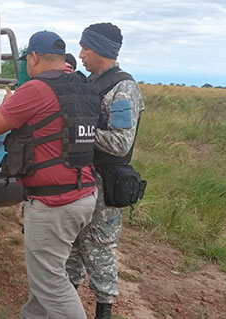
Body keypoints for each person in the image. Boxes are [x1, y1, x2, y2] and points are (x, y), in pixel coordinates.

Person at [0, 30, 100, 319]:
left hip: (54, 203)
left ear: (33, 58)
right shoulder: (82, 87)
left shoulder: (35, 90)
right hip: (83, 193)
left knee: (51, 282)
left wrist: (6, 104)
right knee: (48, 271)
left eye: (26, 61)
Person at [65, 22, 145, 319]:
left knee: (99, 248)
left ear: (100, 49)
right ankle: (68, 303)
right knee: (73, 242)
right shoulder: (91, 81)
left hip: (104, 182)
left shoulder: (123, 88)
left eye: (85, 47)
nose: (81, 53)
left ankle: (103, 309)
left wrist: (80, 132)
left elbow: (121, 143)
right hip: (81, 179)